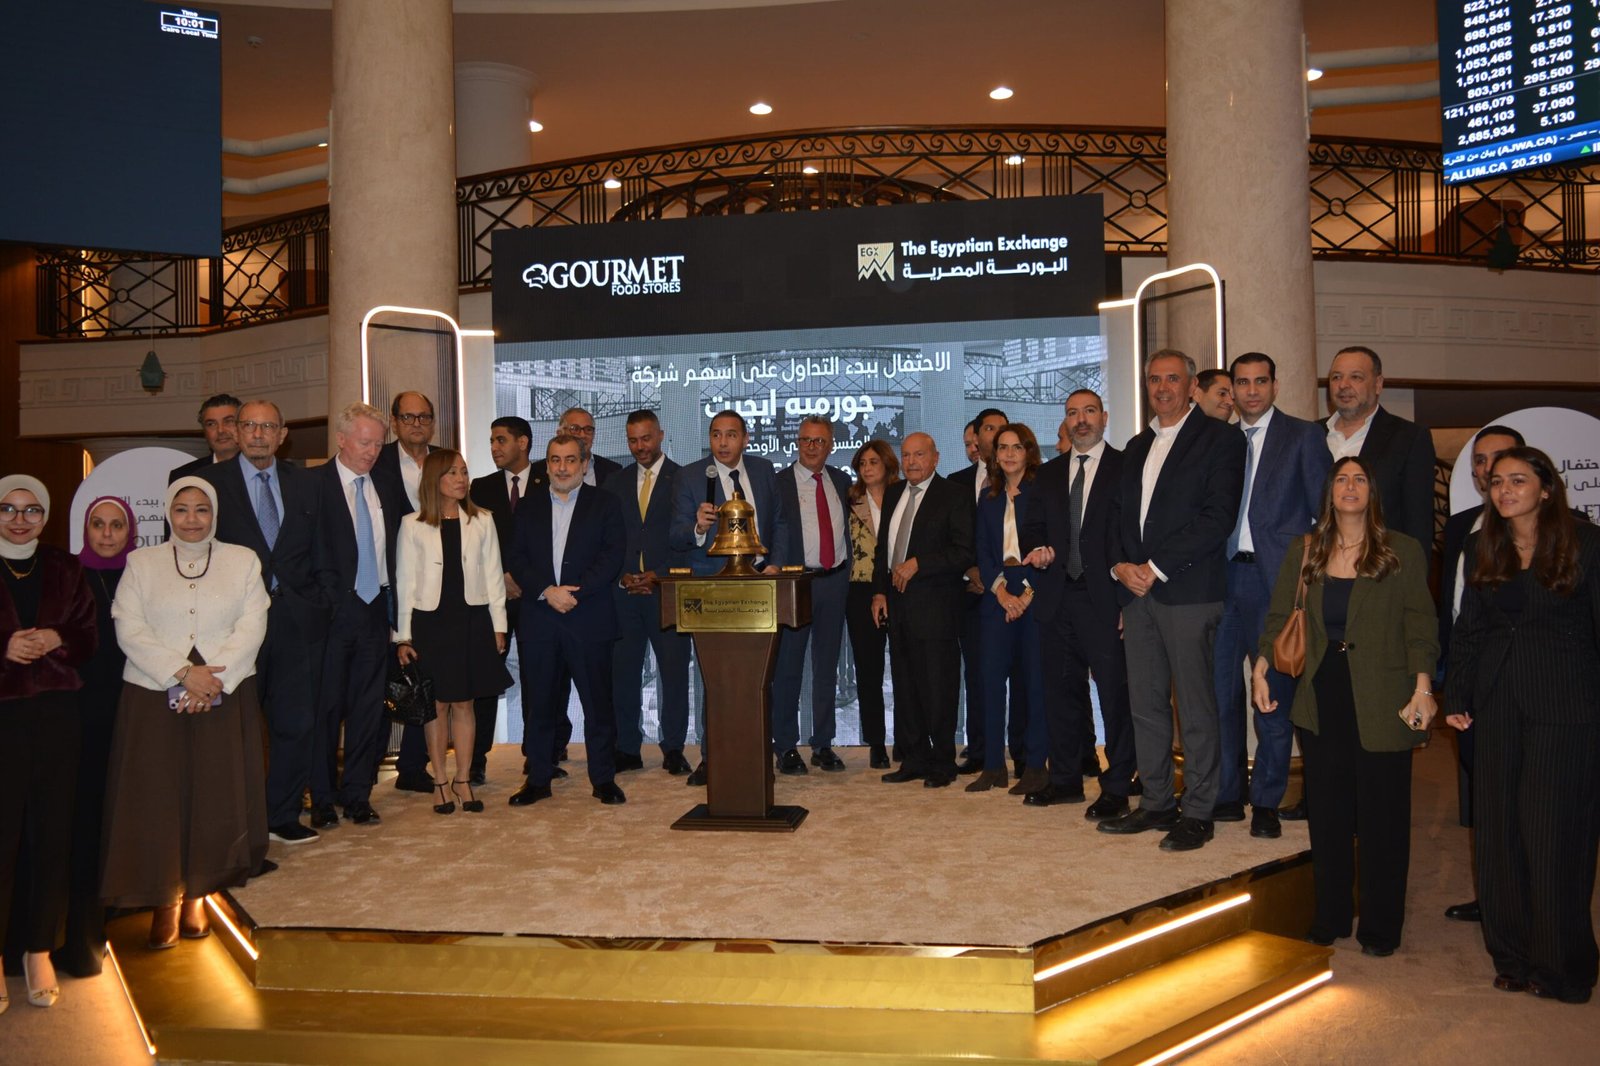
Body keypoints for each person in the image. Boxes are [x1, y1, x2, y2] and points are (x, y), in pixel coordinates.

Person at [1254, 456, 1437, 956]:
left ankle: (1380, 926)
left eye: (1359, 479)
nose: (1350, 486)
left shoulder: (1401, 550)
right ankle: (1331, 915)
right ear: (1329, 492)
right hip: (1322, 693)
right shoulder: (1306, 550)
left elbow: (1420, 623)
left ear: (1371, 491)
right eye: (1341, 479)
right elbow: (1279, 616)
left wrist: (1423, 687)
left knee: (1383, 815)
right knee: (1328, 813)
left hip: (1385, 694)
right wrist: (1262, 667)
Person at [1447, 447, 1600, 1003]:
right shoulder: (1480, 545)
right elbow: (1470, 627)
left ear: (1546, 488)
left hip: (1566, 708)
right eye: (1496, 482)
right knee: (1498, 834)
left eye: (1518, 480)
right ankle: (1511, 956)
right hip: (1496, 706)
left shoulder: (1587, 543)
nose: (1505, 490)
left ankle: (1563, 966)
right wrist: (1457, 694)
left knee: (1555, 837)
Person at [102, 477, 271, 950]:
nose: (191, 519)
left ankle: (198, 893)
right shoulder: (142, 563)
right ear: (167, 514)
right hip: (152, 694)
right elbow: (129, 627)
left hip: (223, 691)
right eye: (181, 509)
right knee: (157, 797)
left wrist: (210, 679)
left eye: (201, 509)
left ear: (214, 514)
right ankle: (163, 899)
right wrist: (181, 673)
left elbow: (252, 624)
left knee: (214, 794)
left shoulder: (243, 560)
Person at [1100, 349, 1244, 852]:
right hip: (1137, 595)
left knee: (1196, 709)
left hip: (1187, 593)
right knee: (1145, 705)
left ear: (1192, 386)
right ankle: (1157, 802)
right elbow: (1117, 518)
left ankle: (1199, 811)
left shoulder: (1221, 439)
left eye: (1172, 379)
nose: (1162, 388)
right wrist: (1120, 567)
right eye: (1154, 380)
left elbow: (1217, 517)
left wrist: (1154, 568)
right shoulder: (1137, 445)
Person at [199, 401, 335, 845]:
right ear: (237, 432)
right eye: (250, 426)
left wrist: (322, 602)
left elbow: (326, 548)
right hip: (235, 626)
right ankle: (237, 823)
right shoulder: (207, 484)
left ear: (282, 434)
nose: (258, 434)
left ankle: (282, 816)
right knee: (235, 726)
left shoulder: (308, 483)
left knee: (296, 722)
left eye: (267, 427)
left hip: (298, 620)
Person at [1212, 353, 1330, 838]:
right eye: (1242, 383)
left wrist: (1307, 585)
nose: (1252, 391)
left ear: (1275, 386)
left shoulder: (1303, 436)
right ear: (1232, 390)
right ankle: (1227, 794)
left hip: (1277, 586)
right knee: (1220, 693)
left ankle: (1266, 800)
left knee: (1273, 699)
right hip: (1221, 581)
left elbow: (1324, 516)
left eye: (1261, 381)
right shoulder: (1220, 440)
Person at [0, 476, 96, 1010]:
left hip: (58, 715)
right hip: (3, 714)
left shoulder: (64, 566)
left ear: (46, 514)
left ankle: (38, 948)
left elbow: (89, 637)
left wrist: (58, 637)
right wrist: (4, 646)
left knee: (52, 834)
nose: (20, 519)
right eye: (9, 509)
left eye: (32, 509)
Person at [1021, 389, 1138, 816]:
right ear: (1066, 421)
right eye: (1073, 413)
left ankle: (1117, 786)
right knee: (1061, 695)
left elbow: (1133, 536)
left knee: (1114, 698)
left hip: (1104, 598)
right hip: (1056, 597)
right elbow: (1032, 527)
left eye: (1089, 411)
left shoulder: (1125, 467)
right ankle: (1066, 780)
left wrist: (1127, 601)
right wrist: (1038, 549)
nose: (1081, 419)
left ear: (1104, 417)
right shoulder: (1049, 474)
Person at [506, 434, 627, 807]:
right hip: (540, 619)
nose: (562, 467)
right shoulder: (527, 507)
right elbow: (516, 558)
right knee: (540, 706)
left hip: (588, 617)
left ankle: (603, 780)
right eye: (555, 460)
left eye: (571, 460)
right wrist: (547, 591)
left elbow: (612, 556)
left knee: (598, 706)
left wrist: (575, 593)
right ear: (546, 466)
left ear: (584, 465)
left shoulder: (605, 504)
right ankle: (538, 780)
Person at [669, 410, 789, 784]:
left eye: (731, 435)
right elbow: (675, 536)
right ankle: (712, 756)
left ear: (745, 439)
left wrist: (775, 563)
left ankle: (757, 752)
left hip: (759, 585)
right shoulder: (690, 476)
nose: (723, 442)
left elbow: (779, 522)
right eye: (716, 434)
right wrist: (697, 527)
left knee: (758, 675)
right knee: (715, 677)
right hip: (712, 589)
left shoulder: (764, 470)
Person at [1437, 423, 1525, 924]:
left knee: (1525, 796)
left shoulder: (1552, 531)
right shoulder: (1459, 526)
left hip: (1520, 683)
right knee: (1482, 790)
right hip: (1467, 675)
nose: (1489, 469)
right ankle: (1494, 892)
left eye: (1500, 458)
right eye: (1480, 461)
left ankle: (1529, 895)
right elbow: (1451, 606)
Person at [311, 402, 410, 828]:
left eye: (378, 444)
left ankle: (357, 795)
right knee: (326, 708)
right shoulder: (313, 484)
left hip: (375, 609)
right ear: (341, 439)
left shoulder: (385, 484)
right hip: (331, 613)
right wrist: (326, 601)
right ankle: (321, 797)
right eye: (364, 442)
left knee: (369, 709)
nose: (372, 452)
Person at [395, 450, 511, 815]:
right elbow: (404, 582)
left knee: (465, 702)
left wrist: (499, 625)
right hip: (429, 623)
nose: (461, 479)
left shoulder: (483, 520)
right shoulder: (412, 524)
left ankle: (463, 779)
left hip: (472, 619)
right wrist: (403, 636)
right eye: (452, 473)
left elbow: (494, 576)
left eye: (464, 471)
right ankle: (440, 781)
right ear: (435, 479)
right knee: (436, 704)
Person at [55, 496, 135, 978]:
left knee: (122, 816)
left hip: (132, 712)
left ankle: (119, 919)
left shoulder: (142, 574)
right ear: (85, 530)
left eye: (117, 525)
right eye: (98, 525)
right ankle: (78, 935)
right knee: (82, 820)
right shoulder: (67, 576)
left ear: (130, 531)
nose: (107, 534)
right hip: (79, 714)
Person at [872, 432, 974, 788]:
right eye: (906, 455)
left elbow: (964, 551)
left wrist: (920, 563)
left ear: (936, 458)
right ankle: (913, 759)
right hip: (898, 608)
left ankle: (942, 762)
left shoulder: (955, 495)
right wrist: (879, 592)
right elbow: (883, 550)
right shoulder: (894, 493)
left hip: (937, 609)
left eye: (919, 455)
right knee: (905, 688)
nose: (911, 462)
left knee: (939, 689)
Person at [603, 410, 692, 775]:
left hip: (666, 592)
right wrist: (622, 575)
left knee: (674, 673)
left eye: (646, 438)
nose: (640, 446)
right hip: (624, 594)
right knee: (623, 675)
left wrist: (660, 575)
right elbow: (608, 538)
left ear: (661, 435)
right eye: (633, 440)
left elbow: (689, 539)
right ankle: (627, 747)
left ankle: (674, 748)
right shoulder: (615, 483)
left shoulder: (683, 479)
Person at [968, 425, 1049, 793]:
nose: (1010, 454)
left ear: (1029, 452)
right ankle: (993, 766)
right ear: (995, 455)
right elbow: (984, 552)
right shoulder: (988, 498)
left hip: (1036, 590)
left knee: (1034, 682)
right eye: (1003, 447)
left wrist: (1026, 595)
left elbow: (1052, 544)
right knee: (989, 681)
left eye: (1017, 447)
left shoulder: (1043, 493)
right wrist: (1002, 593)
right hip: (997, 593)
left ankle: (1035, 766)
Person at [773, 416, 853, 774]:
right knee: (789, 667)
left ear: (830, 445)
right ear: (797, 442)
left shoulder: (841, 480)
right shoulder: (779, 484)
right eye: (805, 439)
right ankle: (786, 746)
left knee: (826, 667)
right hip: (796, 583)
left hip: (834, 582)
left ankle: (823, 743)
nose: (811, 446)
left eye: (819, 441)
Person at [465, 415, 534, 786]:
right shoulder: (482, 487)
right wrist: (502, 576)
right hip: (494, 598)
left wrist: (524, 577)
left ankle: (538, 754)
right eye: (491, 440)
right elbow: (474, 541)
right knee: (486, 678)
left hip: (536, 595)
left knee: (538, 676)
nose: (494, 447)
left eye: (501, 440)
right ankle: (476, 759)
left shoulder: (546, 481)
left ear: (523, 442)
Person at [949, 408, 1015, 776]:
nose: (996, 434)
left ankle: (1020, 749)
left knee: (1019, 673)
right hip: (971, 591)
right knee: (976, 675)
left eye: (1002, 429)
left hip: (1015, 590)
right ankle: (979, 750)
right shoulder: (956, 483)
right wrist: (970, 570)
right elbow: (953, 536)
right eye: (989, 428)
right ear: (976, 437)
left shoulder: (1021, 478)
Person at [380, 390, 440, 793]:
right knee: (383, 679)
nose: (416, 424)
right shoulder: (377, 462)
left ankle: (413, 766)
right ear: (394, 421)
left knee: (427, 674)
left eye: (424, 417)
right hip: (388, 584)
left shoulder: (445, 461)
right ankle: (363, 774)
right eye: (408, 417)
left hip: (438, 587)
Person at [1325, 346, 1436, 549]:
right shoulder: (1311, 434)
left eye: (1356, 377)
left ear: (1378, 384)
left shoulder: (1409, 438)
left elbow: (1418, 522)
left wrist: (1414, 568)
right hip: (1319, 560)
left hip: (1382, 562)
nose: (1343, 385)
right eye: (1336, 377)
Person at [845, 440, 899, 770]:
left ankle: (907, 739)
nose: (866, 468)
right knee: (869, 670)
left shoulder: (903, 497)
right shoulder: (850, 501)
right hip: (861, 591)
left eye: (873, 461)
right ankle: (876, 743)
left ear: (888, 464)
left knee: (906, 669)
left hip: (901, 587)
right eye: (862, 463)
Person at [169, 393, 242, 482]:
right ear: (204, 430)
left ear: (243, 425)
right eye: (211, 424)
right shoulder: (184, 476)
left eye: (229, 421)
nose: (220, 430)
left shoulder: (256, 467)